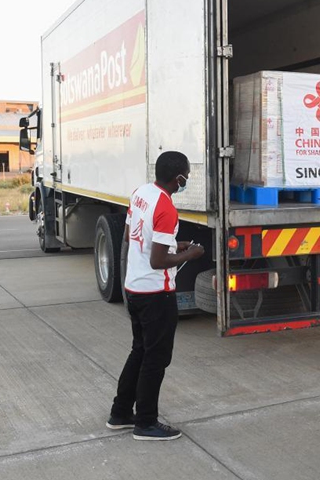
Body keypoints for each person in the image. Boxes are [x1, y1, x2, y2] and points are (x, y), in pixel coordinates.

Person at [106, 151, 205, 440]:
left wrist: (174, 244)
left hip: (134, 288)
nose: (187, 180)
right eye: (187, 176)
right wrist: (190, 254)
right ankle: (146, 423)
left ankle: (120, 413)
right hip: (156, 294)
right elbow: (158, 261)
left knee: (139, 351)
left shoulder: (141, 193)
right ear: (179, 178)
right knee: (155, 359)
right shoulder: (166, 208)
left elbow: (132, 237)